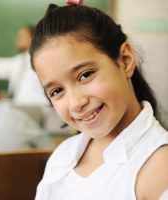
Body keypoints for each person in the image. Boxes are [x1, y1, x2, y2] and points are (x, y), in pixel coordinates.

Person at [29, 2, 168, 200]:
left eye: (85, 75)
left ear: (125, 60)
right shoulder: (63, 155)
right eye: (57, 91)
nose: (76, 103)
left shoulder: (159, 167)